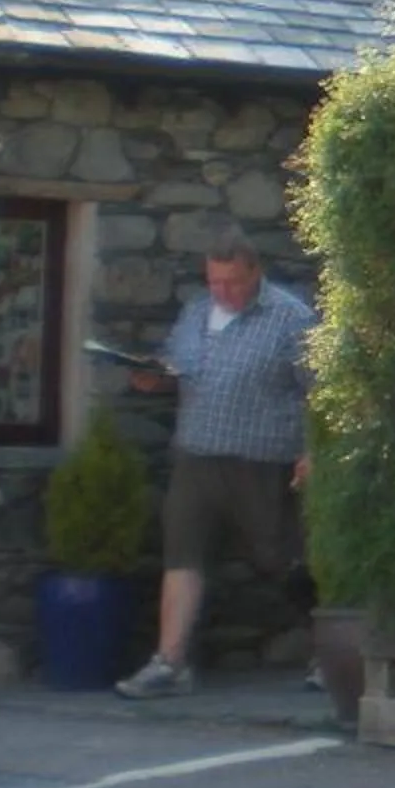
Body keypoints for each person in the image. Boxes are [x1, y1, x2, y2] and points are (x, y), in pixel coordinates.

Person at [116, 232, 316, 698]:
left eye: (233, 283)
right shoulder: (195, 312)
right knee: (182, 555)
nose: (223, 292)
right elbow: (178, 366)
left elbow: (320, 393)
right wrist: (155, 378)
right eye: (215, 282)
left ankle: (332, 653)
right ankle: (170, 663)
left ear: (255, 274)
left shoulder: (292, 320)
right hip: (197, 456)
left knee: (286, 561)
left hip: (263, 461)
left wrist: (314, 453)